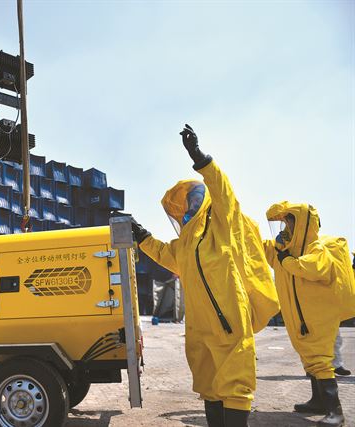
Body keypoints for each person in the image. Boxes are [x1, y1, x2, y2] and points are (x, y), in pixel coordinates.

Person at [132, 124, 279, 427]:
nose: (185, 210)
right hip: (199, 323)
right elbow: (164, 254)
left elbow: (223, 190)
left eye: (188, 201)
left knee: (235, 381)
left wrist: (199, 157)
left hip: (228, 317)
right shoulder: (186, 242)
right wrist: (141, 234)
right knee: (208, 381)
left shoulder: (223, 222)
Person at [264, 203, 355, 427]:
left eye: (289, 222)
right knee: (309, 358)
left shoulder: (317, 249)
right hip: (300, 318)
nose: (285, 228)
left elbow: (312, 268)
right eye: (284, 223)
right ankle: (318, 402)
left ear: (302, 224)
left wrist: (287, 260)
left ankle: (336, 412)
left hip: (318, 317)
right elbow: (264, 251)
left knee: (321, 361)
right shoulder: (286, 250)